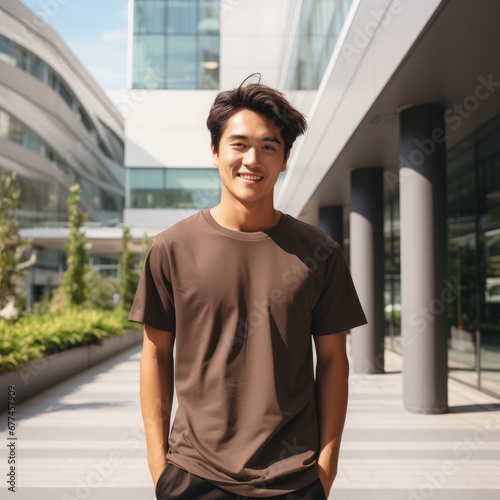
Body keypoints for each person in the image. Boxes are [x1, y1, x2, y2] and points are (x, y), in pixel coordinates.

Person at [129, 75, 367, 500]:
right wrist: (159, 468)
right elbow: (155, 354)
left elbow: (333, 361)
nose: (252, 160)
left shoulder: (320, 253)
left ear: (286, 158)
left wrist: (326, 469)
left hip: (293, 478)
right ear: (215, 151)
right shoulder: (171, 248)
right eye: (238, 144)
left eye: (269, 146)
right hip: (192, 476)